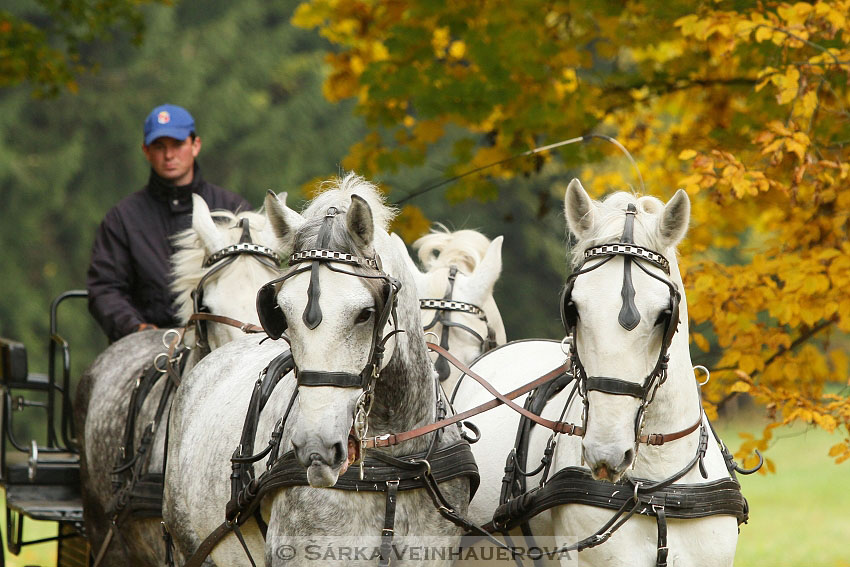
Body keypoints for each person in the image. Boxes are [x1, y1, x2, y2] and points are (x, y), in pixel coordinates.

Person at [87, 104, 252, 342]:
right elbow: (105, 288)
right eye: (159, 146)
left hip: (221, 341)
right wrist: (137, 330)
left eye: (177, 145)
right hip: (148, 346)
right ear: (146, 151)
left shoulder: (233, 210)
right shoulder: (122, 218)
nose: (169, 155)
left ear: (195, 146)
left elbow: (250, 278)